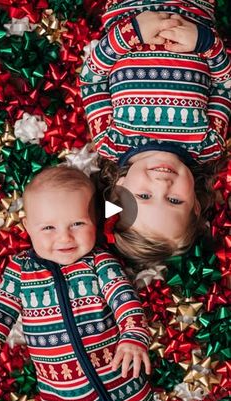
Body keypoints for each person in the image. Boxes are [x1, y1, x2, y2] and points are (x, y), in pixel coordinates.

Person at [0, 166, 159, 401]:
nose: (64, 237)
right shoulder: (20, 269)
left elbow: (124, 299)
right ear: (27, 226)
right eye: (48, 228)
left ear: (95, 219)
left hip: (126, 395)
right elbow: (0, 311)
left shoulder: (99, 262)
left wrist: (133, 336)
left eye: (77, 223)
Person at [79, 0, 231, 267]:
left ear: (120, 189)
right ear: (195, 204)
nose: (162, 185)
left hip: (130, 8)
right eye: (174, 200)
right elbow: (225, 85)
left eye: (144, 196)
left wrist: (131, 32)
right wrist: (206, 44)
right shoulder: (208, 145)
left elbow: (91, 79)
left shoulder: (109, 141)